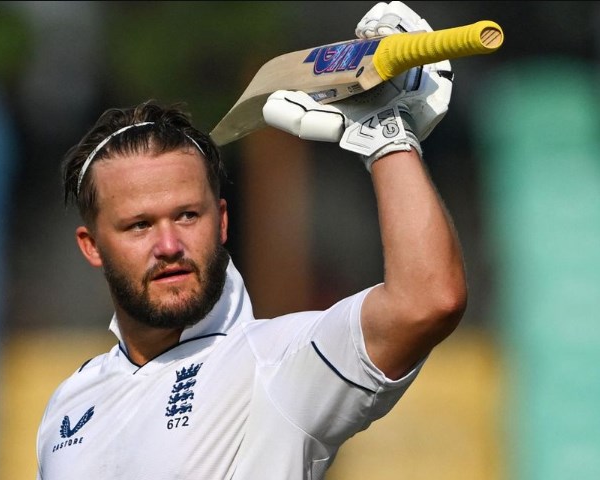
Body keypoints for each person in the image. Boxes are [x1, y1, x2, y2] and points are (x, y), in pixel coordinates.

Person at [35, 2, 467, 479]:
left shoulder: (275, 364)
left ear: (221, 222)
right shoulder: (68, 405)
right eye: (140, 225)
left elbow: (428, 301)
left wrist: (388, 137)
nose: (169, 245)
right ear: (91, 246)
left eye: (187, 216)